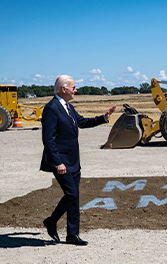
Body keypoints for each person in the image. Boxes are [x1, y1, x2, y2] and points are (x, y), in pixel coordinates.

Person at [41, 75, 116, 246]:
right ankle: (51, 221)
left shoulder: (68, 107)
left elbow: (82, 122)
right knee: (71, 194)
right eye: (73, 87)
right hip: (61, 162)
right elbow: (49, 140)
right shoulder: (51, 109)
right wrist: (57, 162)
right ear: (64, 89)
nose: (76, 90)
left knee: (74, 198)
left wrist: (103, 118)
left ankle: (72, 234)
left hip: (74, 161)